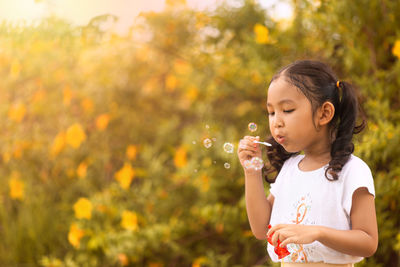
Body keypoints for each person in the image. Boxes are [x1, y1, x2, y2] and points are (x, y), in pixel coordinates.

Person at [237, 60, 378, 267]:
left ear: (324, 113)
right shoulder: (290, 170)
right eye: (271, 112)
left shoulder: (353, 171)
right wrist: (251, 171)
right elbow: (261, 229)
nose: (276, 121)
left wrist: (317, 232)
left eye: (287, 110)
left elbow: (368, 242)